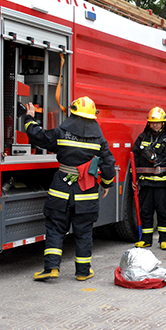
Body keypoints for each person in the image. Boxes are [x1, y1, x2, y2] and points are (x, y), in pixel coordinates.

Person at [23, 96, 116, 281]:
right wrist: (106, 183)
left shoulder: (61, 133)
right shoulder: (99, 140)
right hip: (86, 193)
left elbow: (38, 137)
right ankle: (83, 272)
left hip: (61, 190)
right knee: (83, 232)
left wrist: (29, 118)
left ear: (73, 113)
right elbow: (109, 164)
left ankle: (51, 268)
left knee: (56, 228)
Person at [132, 107, 166, 250]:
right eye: (152, 122)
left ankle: (163, 240)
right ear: (149, 123)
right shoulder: (142, 138)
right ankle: (146, 240)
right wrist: (135, 179)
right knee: (145, 212)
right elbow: (135, 159)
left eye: (158, 123)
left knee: (163, 212)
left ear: (163, 123)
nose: (155, 125)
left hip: (163, 185)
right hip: (146, 184)